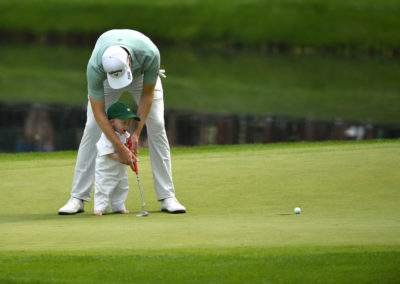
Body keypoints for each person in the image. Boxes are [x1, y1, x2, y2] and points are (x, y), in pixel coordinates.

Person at [58, 29, 186, 215]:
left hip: (142, 75)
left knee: (157, 124)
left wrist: (135, 134)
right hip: (107, 80)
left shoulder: (149, 53)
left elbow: (147, 95)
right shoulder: (95, 67)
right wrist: (120, 147)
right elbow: (99, 113)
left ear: (128, 61)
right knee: (92, 126)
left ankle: (168, 197)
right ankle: (77, 197)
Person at [94, 102, 140, 216]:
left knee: (122, 187)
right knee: (104, 188)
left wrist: (131, 158)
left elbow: (128, 150)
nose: (126, 126)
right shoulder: (106, 136)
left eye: (128, 123)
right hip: (106, 170)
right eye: (123, 122)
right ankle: (100, 208)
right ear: (112, 122)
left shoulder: (126, 135)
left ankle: (118, 206)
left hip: (120, 170)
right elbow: (109, 153)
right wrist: (122, 157)